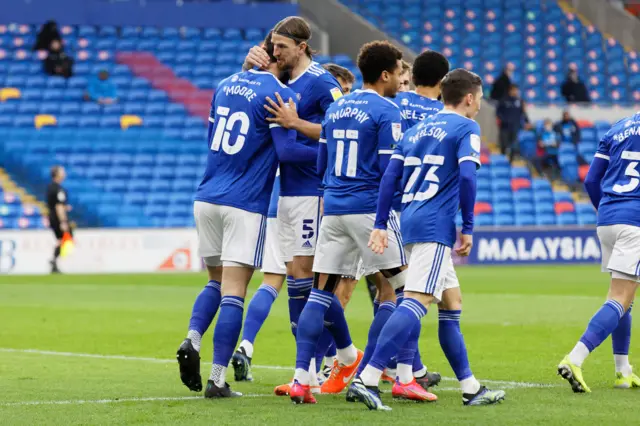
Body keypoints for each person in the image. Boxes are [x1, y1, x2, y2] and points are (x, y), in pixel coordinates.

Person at [348, 68, 506, 410]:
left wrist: (380, 222)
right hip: (436, 224)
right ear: (468, 98)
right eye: (479, 99)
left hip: (409, 218)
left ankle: (470, 388)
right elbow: (467, 176)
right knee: (416, 301)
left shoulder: (417, 129)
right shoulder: (466, 127)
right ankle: (368, 378)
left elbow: (391, 176)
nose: (479, 105)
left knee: (451, 302)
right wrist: (469, 224)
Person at [175, 32, 318, 399]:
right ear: (274, 55)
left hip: (206, 195)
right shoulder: (279, 93)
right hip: (243, 203)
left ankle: (192, 339)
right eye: (282, 52)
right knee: (234, 291)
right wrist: (332, 152)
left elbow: (212, 135)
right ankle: (218, 379)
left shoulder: (224, 84)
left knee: (214, 280)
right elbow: (286, 152)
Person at [288, 40, 410, 405]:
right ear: (386, 75)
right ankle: (387, 375)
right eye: (400, 72)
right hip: (370, 209)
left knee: (319, 293)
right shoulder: (387, 111)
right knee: (409, 291)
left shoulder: (338, 107)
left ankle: (300, 379)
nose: (401, 78)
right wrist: (385, 217)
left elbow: (321, 161)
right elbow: (392, 171)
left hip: (334, 208)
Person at [232, 60, 357, 386]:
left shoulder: (289, 103)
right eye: (343, 92)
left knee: (286, 284)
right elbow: (290, 150)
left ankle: (317, 364)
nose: (344, 99)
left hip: (296, 199)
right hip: (302, 199)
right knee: (314, 289)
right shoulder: (292, 102)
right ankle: (335, 359)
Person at [558, 113, 640, 393]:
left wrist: (605, 210)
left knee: (625, 298)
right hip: (635, 221)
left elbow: (592, 180)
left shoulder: (617, 128)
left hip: (608, 219)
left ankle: (623, 371)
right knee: (620, 296)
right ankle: (575, 358)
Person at [46, 166, 72, 274]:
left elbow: (53, 204)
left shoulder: (50, 187)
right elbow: (58, 206)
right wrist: (63, 222)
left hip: (51, 216)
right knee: (67, 238)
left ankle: (54, 260)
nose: (64, 173)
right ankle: (54, 259)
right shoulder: (59, 189)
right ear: (57, 174)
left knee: (62, 239)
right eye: (62, 171)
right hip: (57, 218)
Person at [496, 84, 527, 163]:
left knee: (513, 145)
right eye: (514, 90)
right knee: (504, 144)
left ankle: (511, 161)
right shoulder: (503, 100)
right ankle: (502, 161)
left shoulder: (519, 101)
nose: (515, 92)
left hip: (515, 126)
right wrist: (503, 120)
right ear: (510, 90)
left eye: (516, 90)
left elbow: (523, 113)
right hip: (505, 127)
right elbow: (498, 112)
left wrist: (526, 121)